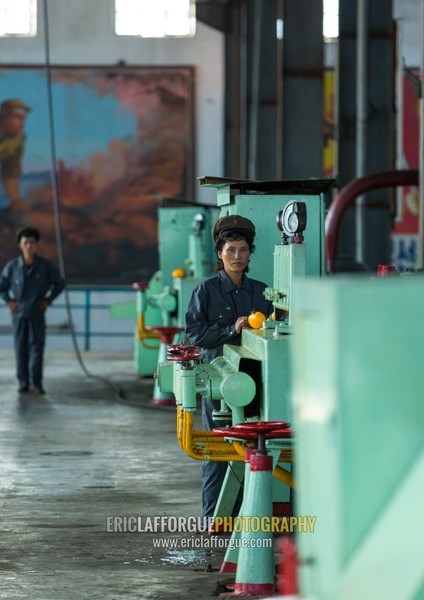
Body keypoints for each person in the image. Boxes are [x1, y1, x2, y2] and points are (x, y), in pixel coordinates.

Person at [185, 215, 272, 519]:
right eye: (231, 250)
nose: (238, 256)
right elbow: (196, 335)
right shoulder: (205, 292)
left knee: (253, 450)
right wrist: (230, 329)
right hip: (219, 382)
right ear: (220, 255)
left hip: (256, 382)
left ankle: (248, 517)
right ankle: (214, 519)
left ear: (250, 254)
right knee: (218, 450)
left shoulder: (263, 293)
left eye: (243, 250)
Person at [0, 227, 65, 394]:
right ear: (20, 245)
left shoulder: (44, 267)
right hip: (19, 313)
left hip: (37, 312)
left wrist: (47, 300)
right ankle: (23, 382)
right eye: (26, 242)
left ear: (36, 245)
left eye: (32, 243)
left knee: (36, 348)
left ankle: (36, 383)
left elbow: (59, 283)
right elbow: (2, 286)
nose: (29, 246)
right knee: (20, 348)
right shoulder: (13, 267)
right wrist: (9, 301)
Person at [0, 98, 31, 211]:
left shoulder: (17, 140)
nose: (22, 123)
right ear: (4, 117)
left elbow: (10, 170)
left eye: (24, 118)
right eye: (18, 117)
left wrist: (15, 200)